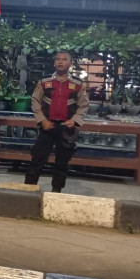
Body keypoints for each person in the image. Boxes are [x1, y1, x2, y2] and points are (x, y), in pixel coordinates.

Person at [24, 51, 89, 193]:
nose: (60, 62)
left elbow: (83, 105)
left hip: (66, 127)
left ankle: (56, 192)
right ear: (54, 63)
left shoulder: (78, 84)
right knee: (37, 159)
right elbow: (35, 101)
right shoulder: (44, 81)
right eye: (58, 59)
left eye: (64, 59)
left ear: (70, 63)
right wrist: (42, 120)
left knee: (62, 162)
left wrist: (75, 120)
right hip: (47, 126)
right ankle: (28, 190)